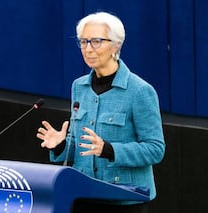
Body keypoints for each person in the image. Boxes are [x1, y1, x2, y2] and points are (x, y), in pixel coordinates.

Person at [36, 12, 165, 213]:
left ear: (116, 45)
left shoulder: (139, 91)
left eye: (96, 41)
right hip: (83, 196)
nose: (88, 49)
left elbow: (155, 149)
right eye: (83, 42)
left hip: (124, 199)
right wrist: (62, 144)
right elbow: (80, 146)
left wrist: (109, 149)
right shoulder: (79, 87)